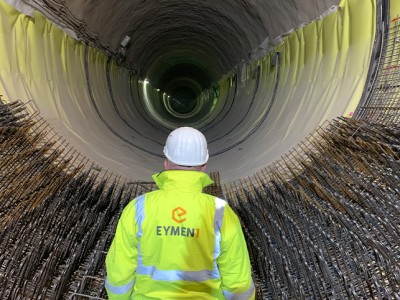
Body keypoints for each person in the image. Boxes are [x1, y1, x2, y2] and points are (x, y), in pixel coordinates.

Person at [105, 127, 255, 299]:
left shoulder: (139, 208)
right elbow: (238, 280)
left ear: (166, 163)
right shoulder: (221, 212)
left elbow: (119, 273)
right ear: (204, 166)